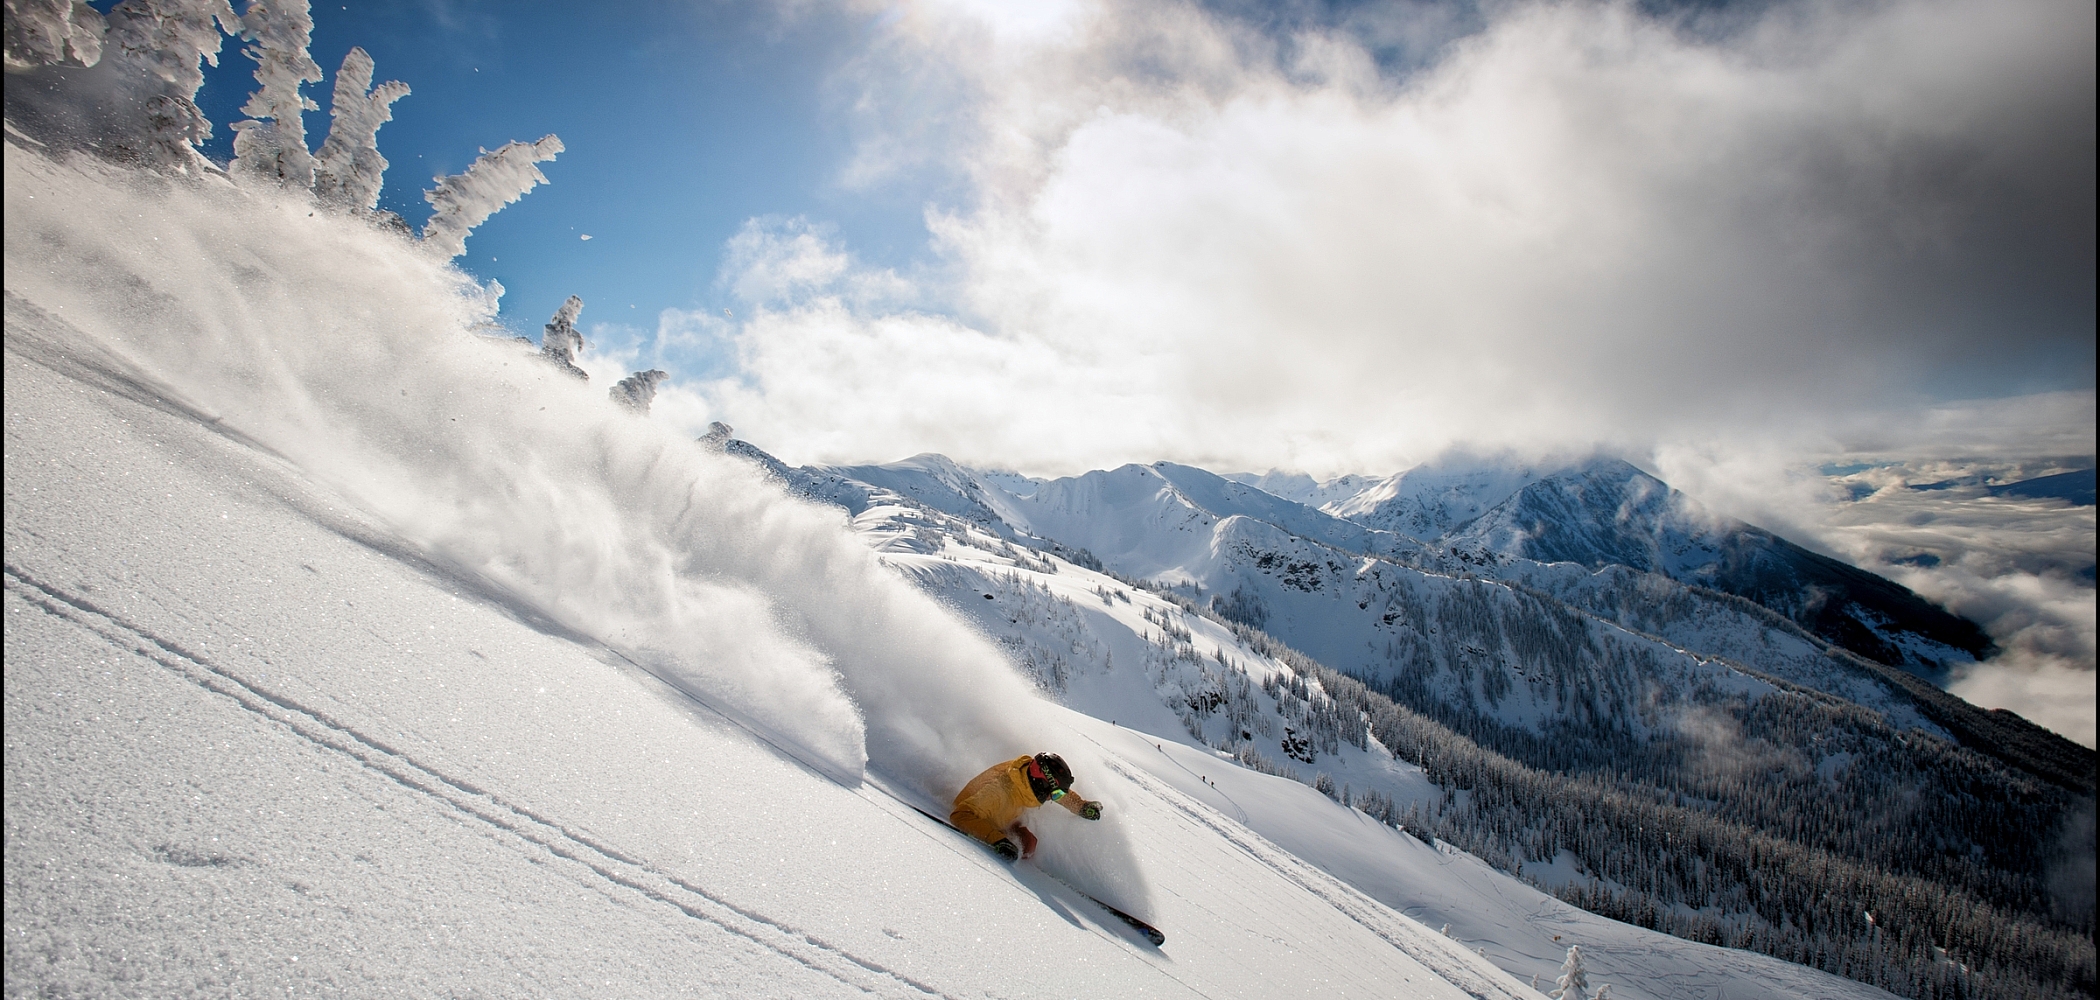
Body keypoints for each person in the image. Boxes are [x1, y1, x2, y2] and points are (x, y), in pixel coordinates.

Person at [951, 752, 1103, 861]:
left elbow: (1059, 791)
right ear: (1041, 785)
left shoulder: (1027, 776)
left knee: (1030, 843)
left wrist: (1081, 807)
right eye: (1055, 795)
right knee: (1027, 844)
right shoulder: (997, 792)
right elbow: (960, 815)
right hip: (981, 820)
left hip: (1005, 815)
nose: (1054, 799)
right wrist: (998, 840)